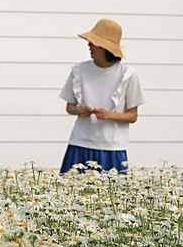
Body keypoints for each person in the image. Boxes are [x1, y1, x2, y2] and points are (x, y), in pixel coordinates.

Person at [59, 18, 144, 174]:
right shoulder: (79, 70)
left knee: (113, 196)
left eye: (93, 43)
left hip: (112, 147)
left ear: (105, 48)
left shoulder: (128, 75)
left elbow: (132, 116)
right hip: (80, 143)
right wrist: (79, 110)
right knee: (71, 194)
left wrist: (109, 114)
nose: (89, 45)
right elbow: (69, 107)